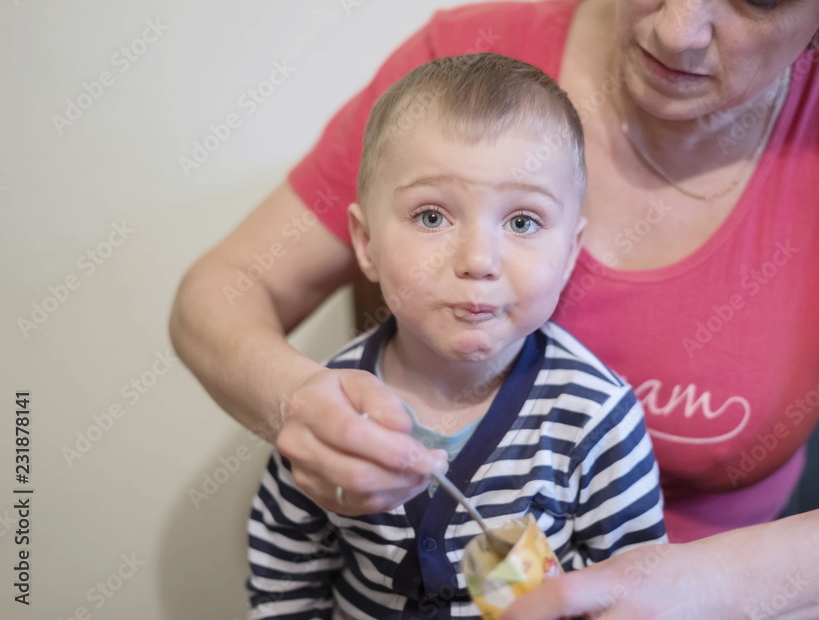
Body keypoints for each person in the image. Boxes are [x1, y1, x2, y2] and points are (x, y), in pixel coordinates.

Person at [169, 0, 819, 617]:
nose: (677, 28)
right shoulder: (461, 75)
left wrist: (711, 589)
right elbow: (223, 286)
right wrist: (291, 400)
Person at [245, 53, 667, 619]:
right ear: (366, 244)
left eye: (522, 222)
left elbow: (640, 591)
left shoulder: (597, 416)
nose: (477, 259)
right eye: (431, 216)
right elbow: (285, 564)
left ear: (569, 254)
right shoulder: (330, 406)